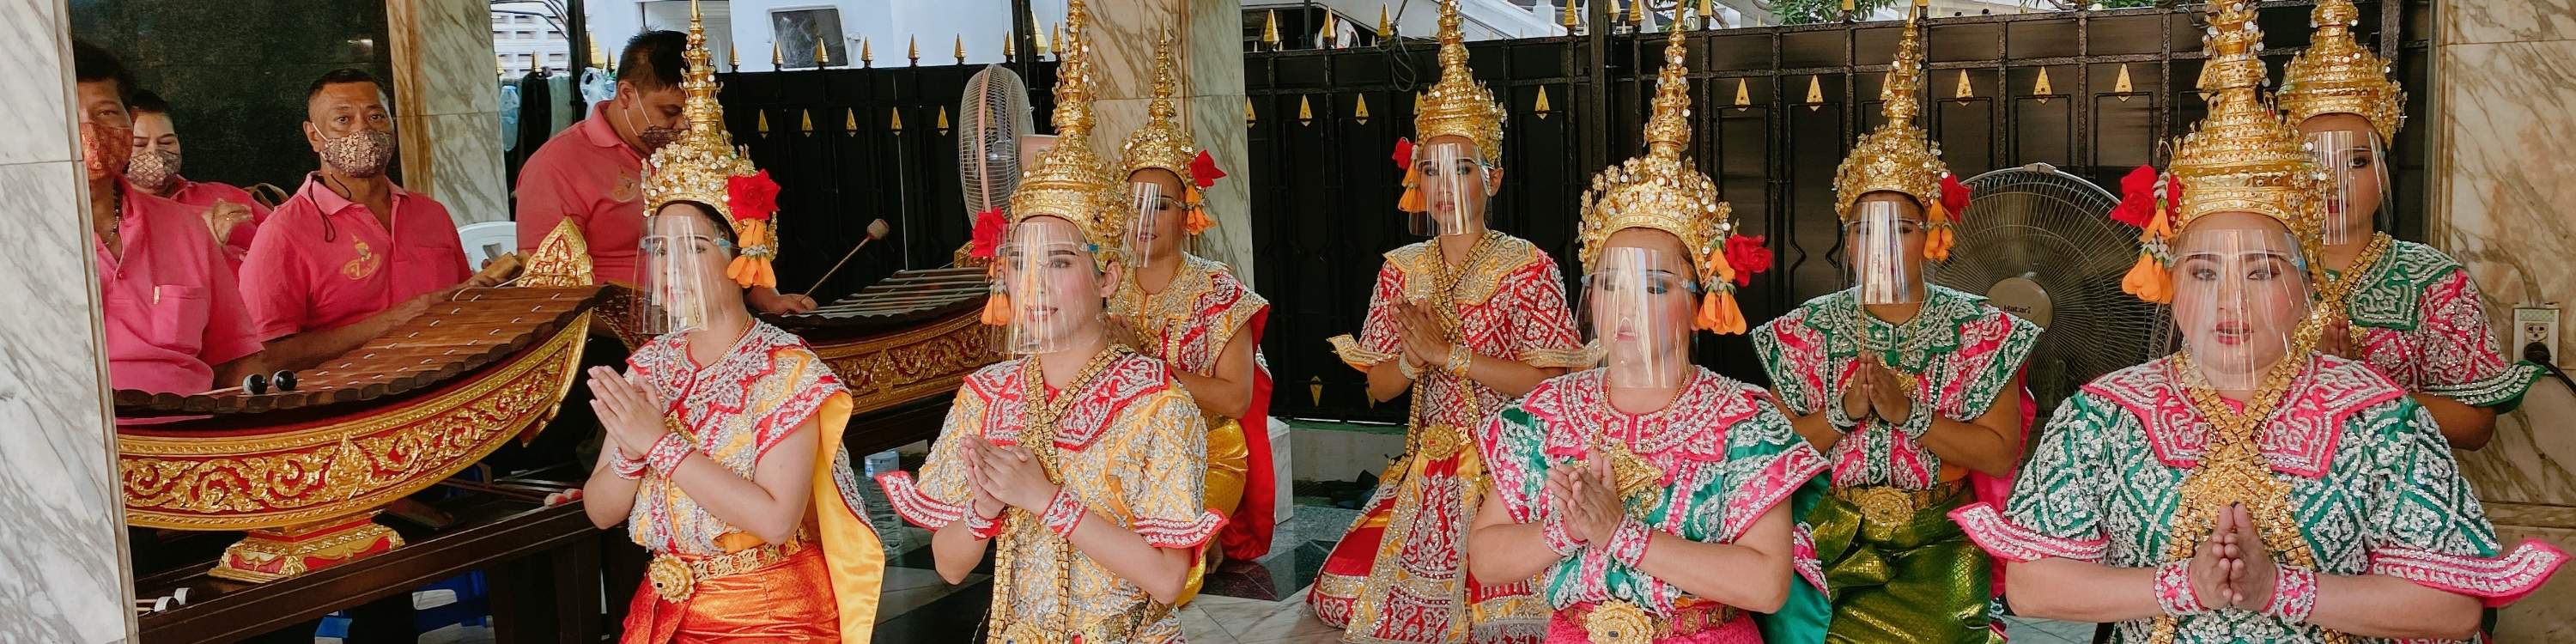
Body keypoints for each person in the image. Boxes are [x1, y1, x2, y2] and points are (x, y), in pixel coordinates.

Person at [1948, 3, 2566, 641]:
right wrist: (2183, 586)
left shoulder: (2381, 417)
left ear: (2306, 284)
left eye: (2264, 272)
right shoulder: (2104, 414)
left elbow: (2451, 607)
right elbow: (2032, 585)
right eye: (2205, 272)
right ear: (2169, 280)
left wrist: (2283, 589)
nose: (2230, 301)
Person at [1467, 21, 1831, 644]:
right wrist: (1568, 529)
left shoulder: (1746, 420)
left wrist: (1622, 534)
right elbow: (1486, 557)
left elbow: (1767, 582)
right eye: (1610, 284)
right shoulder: (1544, 413)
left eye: (1655, 287)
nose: (1625, 307)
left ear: (1700, 303)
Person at [874, 2, 1222, 641]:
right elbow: (951, 567)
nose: (1034, 285)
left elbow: (1168, 579)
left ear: (1108, 278)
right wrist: (983, 505)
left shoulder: (1154, 402)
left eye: (1059, 262)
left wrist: (1047, 501)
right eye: (1021, 263)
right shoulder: (986, 396)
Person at [576, 14, 882, 641]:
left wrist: (658, 443)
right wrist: (633, 449)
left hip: (767, 615)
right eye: (658, 251)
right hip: (664, 610)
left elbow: (774, 519)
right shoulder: (651, 365)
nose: (671, 269)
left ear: (742, 251)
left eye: (691, 248)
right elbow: (600, 509)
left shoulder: (787, 370)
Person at [1747, 13, 2038, 644]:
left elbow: (1997, 450)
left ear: (1930, 235)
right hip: (1829, 542)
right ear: (1846, 241)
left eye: (1901, 228)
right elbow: (1775, 454)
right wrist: (1846, 412)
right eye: (1865, 230)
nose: (1881, 246)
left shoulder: (1980, 330)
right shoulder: (1803, 331)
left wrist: (1910, 415)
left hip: (1935, 548)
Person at [1311, 2, 1586, 641]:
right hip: (1425, 467)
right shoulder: (1402, 268)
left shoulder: (1528, 266)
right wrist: (1413, 358)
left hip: (1507, 465)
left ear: (1492, 178)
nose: (1443, 185)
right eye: (1429, 169)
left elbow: (1551, 386)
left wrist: (1450, 355)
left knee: (1516, 613)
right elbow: (1379, 388)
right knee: (1344, 597)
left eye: (1461, 168)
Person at [2276, 0, 2541, 450]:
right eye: (2313, 164)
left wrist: (2364, 390)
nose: (2334, 184)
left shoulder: (2434, 282)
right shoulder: (2259, 270)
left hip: (2398, 506)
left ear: (2382, 172)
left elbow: (2475, 428)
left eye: (2357, 163)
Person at [1112, 27, 1278, 569]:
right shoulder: (1104, 285)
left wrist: (1148, 367)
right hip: (1118, 453)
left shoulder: (1216, 290)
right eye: (1133, 203)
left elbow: (1235, 400)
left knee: (1163, 577)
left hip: (1204, 452)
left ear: (1187, 213)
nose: (1143, 219)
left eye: (1158, 205)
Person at [239, 69, 499, 371]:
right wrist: (400, 318)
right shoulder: (284, 231)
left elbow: (457, 302)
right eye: (343, 120)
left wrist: (487, 289)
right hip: (355, 401)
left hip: (450, 380)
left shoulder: (431, 213)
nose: (363, 131)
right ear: (314, 136)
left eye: (376, 117)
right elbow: (265, 358)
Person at [74, 39, 266, 397]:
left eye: (105, 113)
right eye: (68, 115)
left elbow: (236, 359)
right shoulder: (17, 233)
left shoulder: (185, 227)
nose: (90, 132)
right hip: (68, 442)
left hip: (187, 433)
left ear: (130, 122)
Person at [125, 88, 268, 273]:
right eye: (139, 144)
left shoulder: (224, 195)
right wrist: (201, 244)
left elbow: (287, 237)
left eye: (166, 142)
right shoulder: (114, 218)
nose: (155, 153)